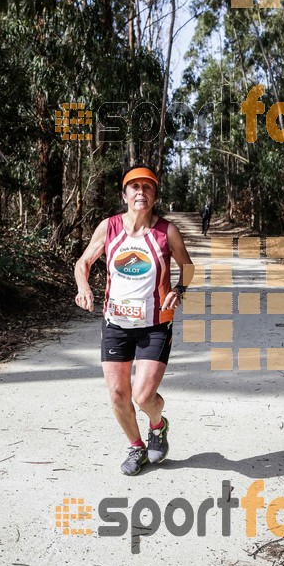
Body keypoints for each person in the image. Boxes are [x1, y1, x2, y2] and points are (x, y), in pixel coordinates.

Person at [74, 164, 194, 476]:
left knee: (142, 396)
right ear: (125, 193)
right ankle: (136, 446)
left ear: (154, 195)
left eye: (148, 187)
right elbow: (83, 262)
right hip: (115, 324)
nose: (141, 192)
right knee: (117, 394)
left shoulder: (166, 231)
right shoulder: (110, 227)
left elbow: (188, 265)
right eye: (134, 187)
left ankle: (158, 424)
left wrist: (179, 288)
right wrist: (83, 287)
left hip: (155, 324)